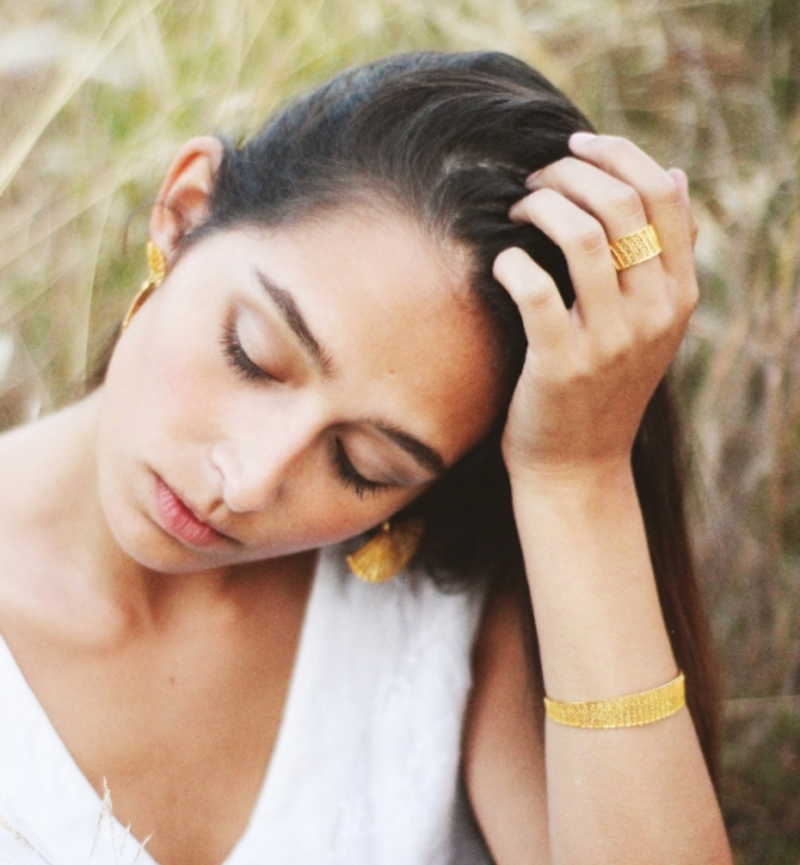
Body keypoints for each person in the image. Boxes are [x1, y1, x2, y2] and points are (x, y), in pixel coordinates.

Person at [0, 51, 732, 865]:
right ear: (184, 210)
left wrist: (578, 483)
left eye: (364, 465)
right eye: (253, 355)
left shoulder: (451, 621)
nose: (245, 481)